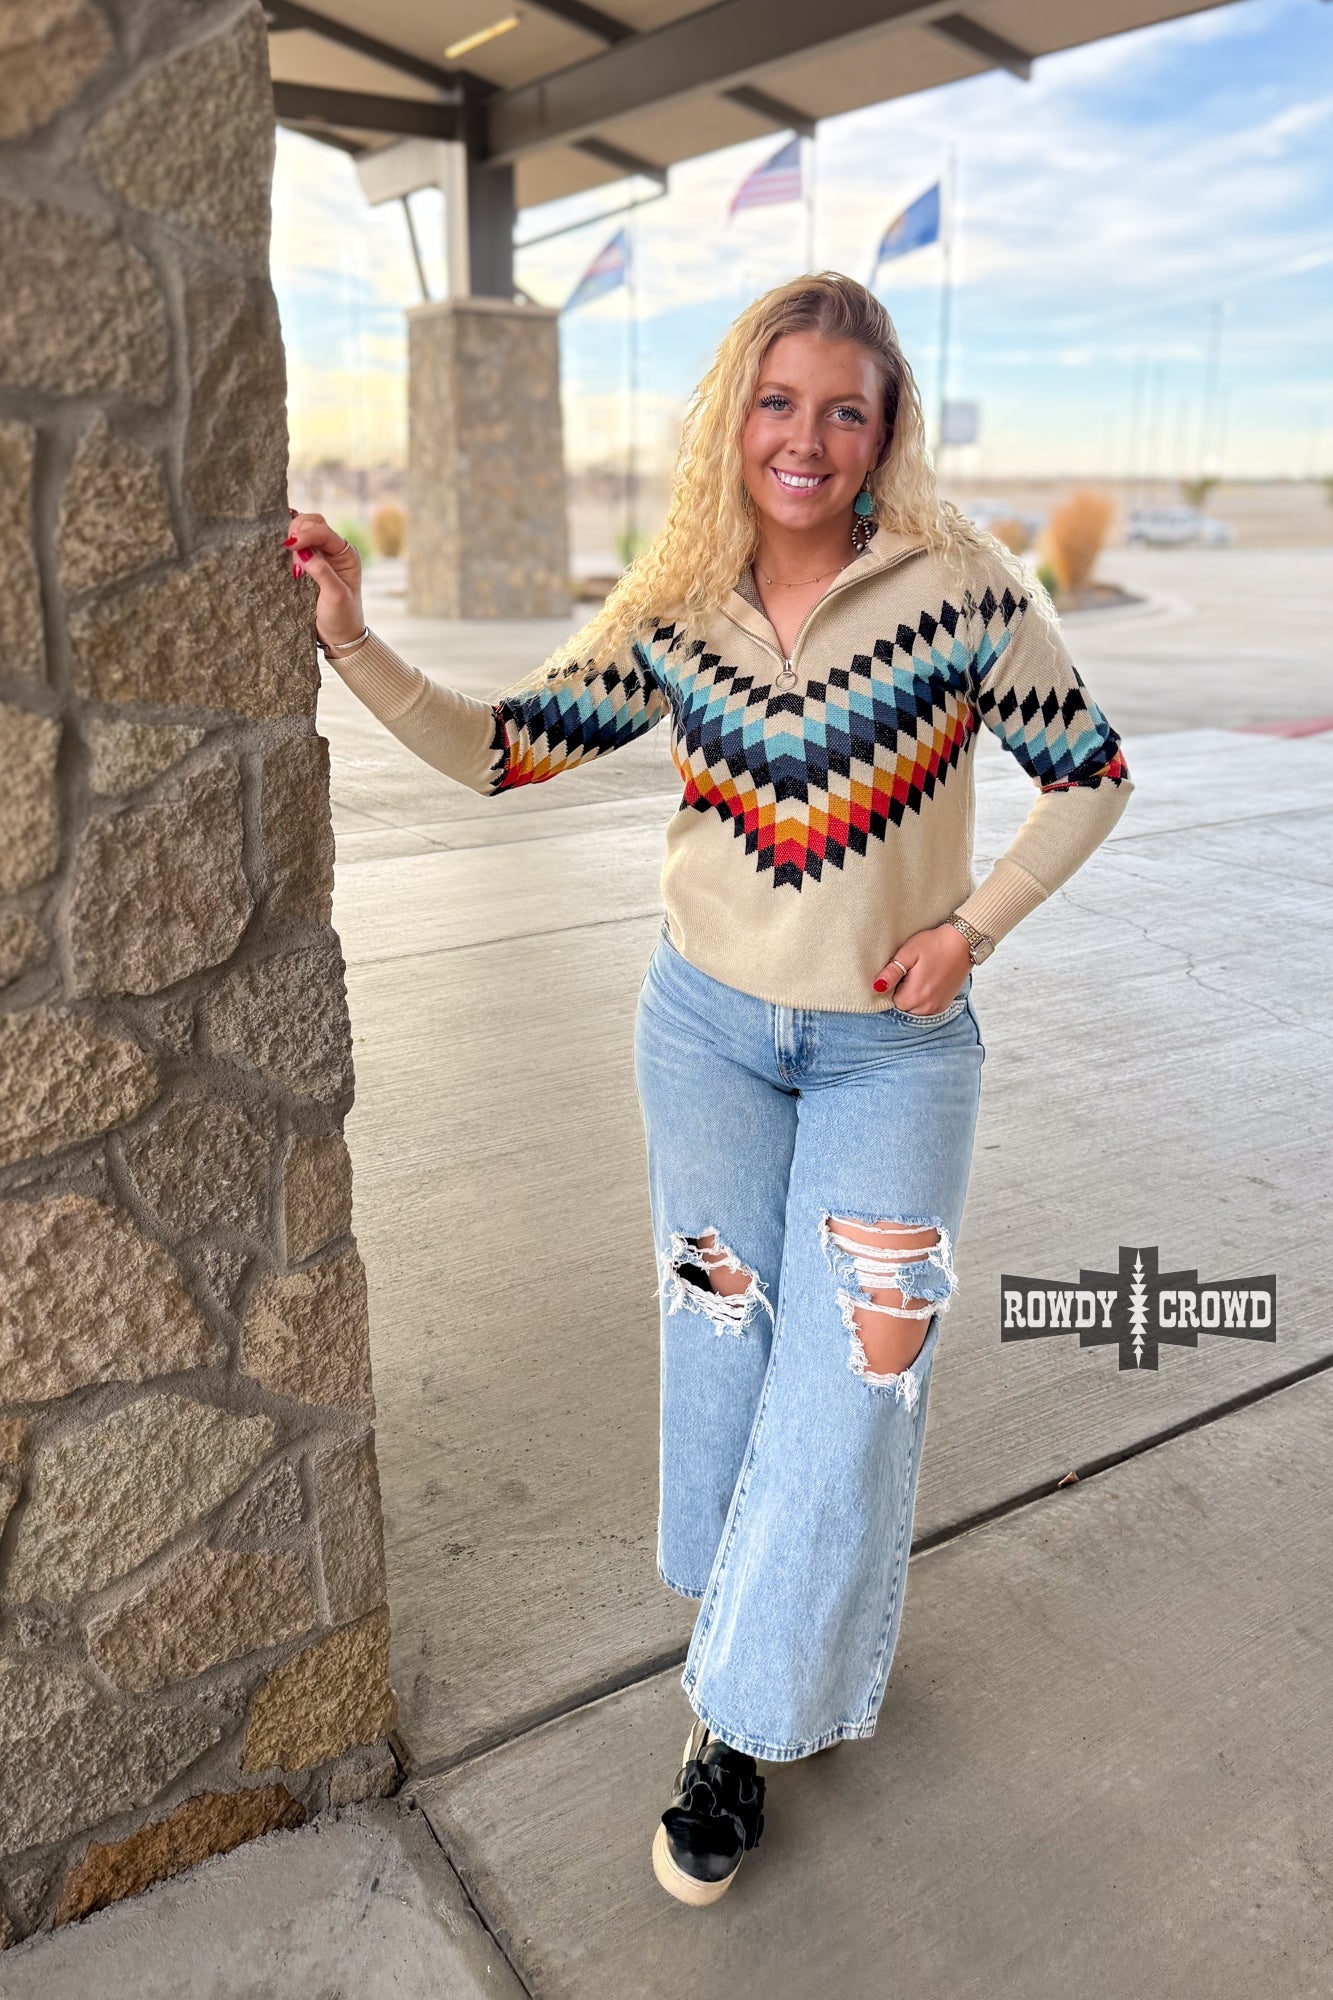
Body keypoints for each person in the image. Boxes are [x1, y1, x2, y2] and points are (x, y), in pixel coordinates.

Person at [284, 272, 1134, 1908]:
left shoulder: (958, 590)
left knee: (858, 1373)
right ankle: (746, 1696)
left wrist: (970, 928)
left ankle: (737, 1707)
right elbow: (501, 751)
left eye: (843, 410)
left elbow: (1087, 775)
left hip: (893, 1051)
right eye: (777, 400)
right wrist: (354, 644)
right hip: (704, 1041)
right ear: (736, 414)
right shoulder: (677, 603)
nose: (805, 438)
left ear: (884, 433)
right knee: (724, 1344)